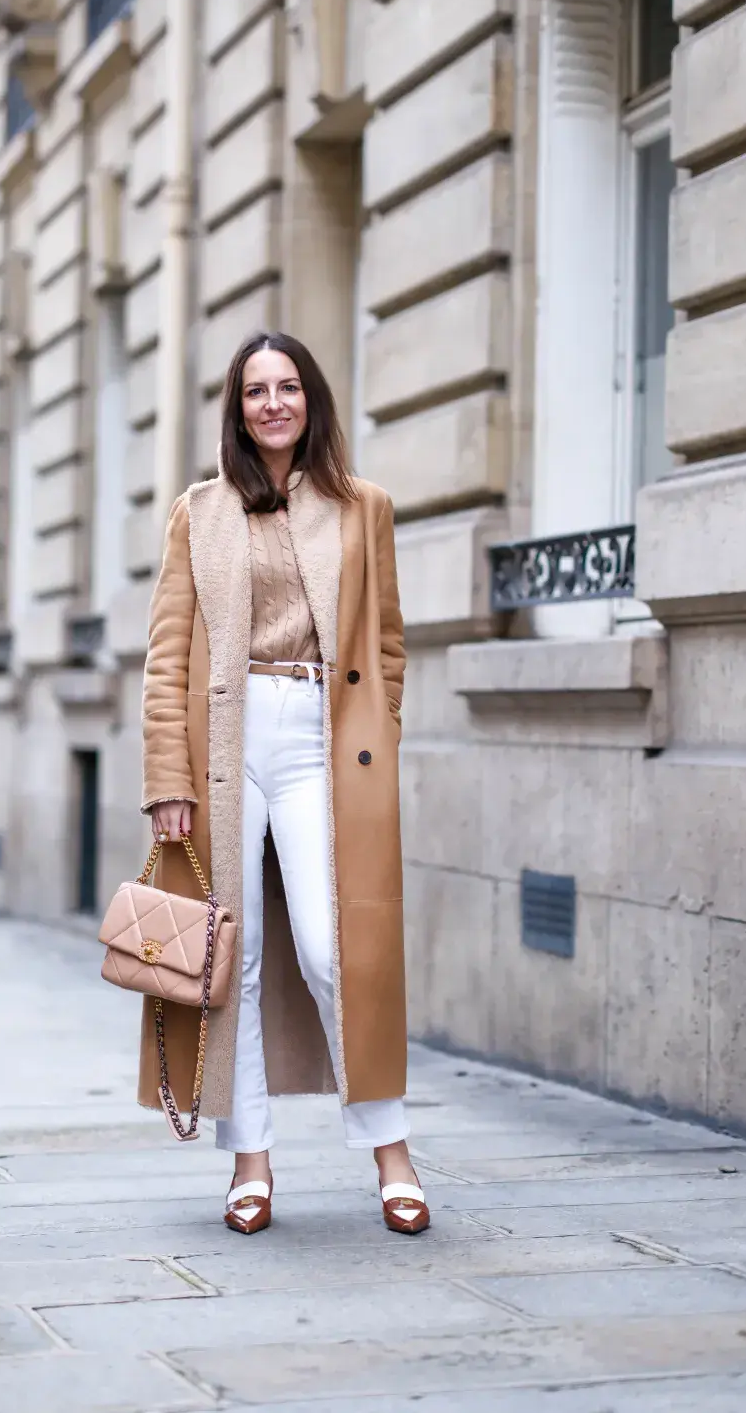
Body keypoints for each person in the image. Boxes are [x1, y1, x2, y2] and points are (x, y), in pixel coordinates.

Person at [138, 329, 428, 1237]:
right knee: (235, 958)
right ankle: (250, 1162)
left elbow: (386, 640)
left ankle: (392, 1150)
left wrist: (379, 732)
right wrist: (167, 778)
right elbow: (167, 653)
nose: (273, 403)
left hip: (319, 739)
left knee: (333, 948)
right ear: (237, 407)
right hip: (223, 740)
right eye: (256, 390)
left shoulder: (362, 507)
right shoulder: (200, 511)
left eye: (289, 387)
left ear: (313, 402)